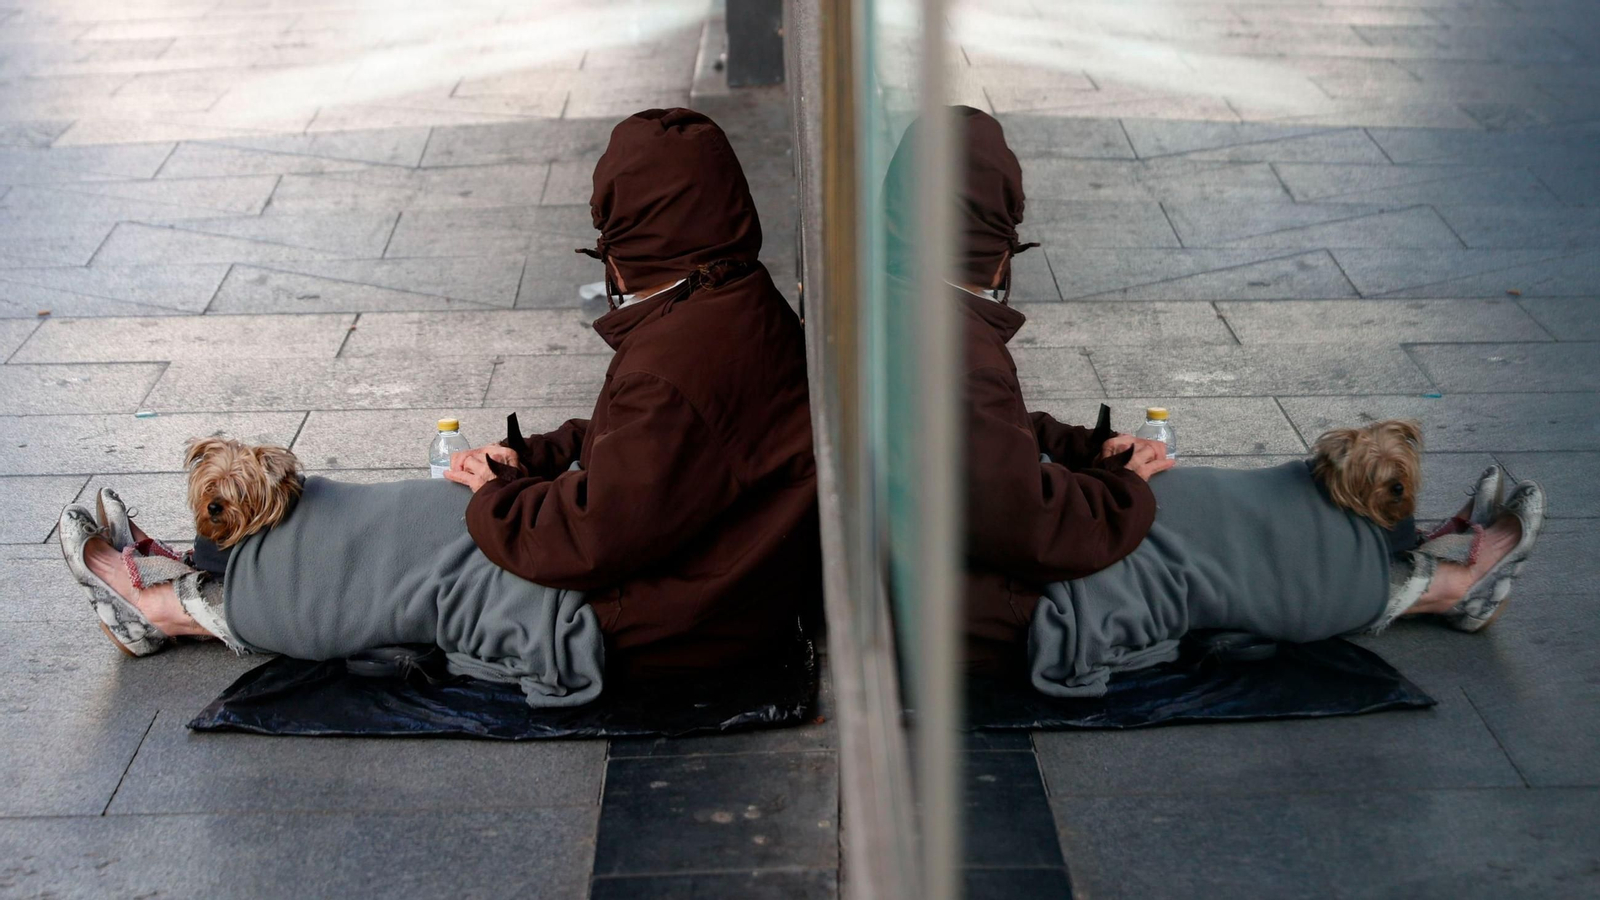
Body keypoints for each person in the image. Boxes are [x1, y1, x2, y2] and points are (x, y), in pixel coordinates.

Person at [58, 108, 821, 702]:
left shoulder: (678, 357)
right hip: (686, 585)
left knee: (405, 565)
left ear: (640, 238)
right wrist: (534, 458)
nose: (608, 259)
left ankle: (165, 610)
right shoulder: (733, 306)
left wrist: (496, 495)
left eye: (608, 236)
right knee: (402, 519)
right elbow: (662, 450)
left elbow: (594, 537)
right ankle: (215, 565)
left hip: (644, 621)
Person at [887, 107, 1546, 694]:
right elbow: (1029, 527)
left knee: (1201, 503)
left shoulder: (907, 304)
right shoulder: (951, 346)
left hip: (969, 573)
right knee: (1206, 555)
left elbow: (980, 440)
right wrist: (1122, 486)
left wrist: (1089, 449)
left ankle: (1389, 546)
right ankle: (1449, 587)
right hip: (998, 607)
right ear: (989, 243)